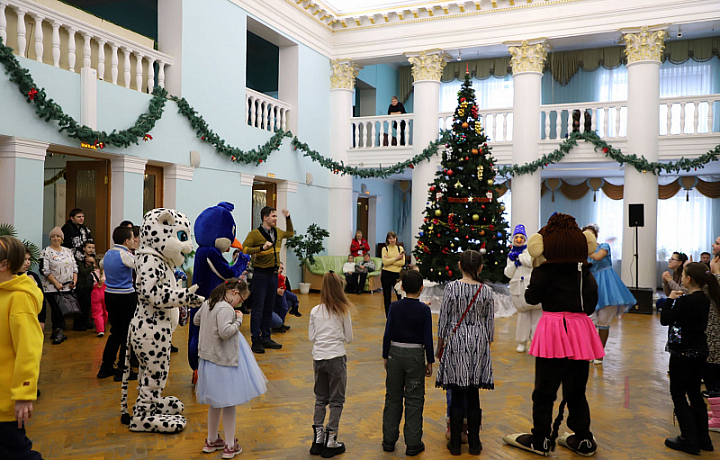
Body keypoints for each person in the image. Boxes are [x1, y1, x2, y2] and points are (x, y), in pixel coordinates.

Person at [503, 213, 602, 457]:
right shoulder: (584, 271)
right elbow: (590, 305)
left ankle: (541, 439)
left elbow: (531, 298)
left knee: (545, 391)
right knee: (576, 390)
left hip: (553, 329)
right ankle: (583, 438)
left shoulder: (545, 270)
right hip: (580, 330)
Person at [194, 278, 267, 459]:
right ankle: (229, 445)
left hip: (208, 358)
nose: (240, 305)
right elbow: (225, 332)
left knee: (215, 402)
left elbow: (196, 320)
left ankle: (211, 440)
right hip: (224, 360)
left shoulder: (209, 303)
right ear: (234, 293)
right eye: (241, 300)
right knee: (228, 402)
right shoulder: (226, 308)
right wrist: (239, 319)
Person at [435, 250, 493, 456]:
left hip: (456, 340)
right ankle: (475, 444)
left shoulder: (451, 288)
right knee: (474, 395)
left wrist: (439, 347)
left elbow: (443, 321)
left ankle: (455, 446)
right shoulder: (486, 291)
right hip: (478, 341)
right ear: (480, 267)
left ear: (459, 266)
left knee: (457, 395)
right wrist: (484, 347)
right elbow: (490, 327)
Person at [660, 262, 718, 454]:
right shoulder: (705, 299)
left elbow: (665, 319)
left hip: (682, 354)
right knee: (694, 393)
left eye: (683, 274)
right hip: (700, 352)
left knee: (678, 394)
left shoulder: (686, 301)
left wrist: (669, 299)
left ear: (688, 279)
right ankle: (704, 439)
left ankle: (688, 438)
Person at [0, 236, 45, 460]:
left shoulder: (19, 299)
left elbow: (29, 349)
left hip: (5, 400)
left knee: (18, 454)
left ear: (4, 265)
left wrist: (24, 393)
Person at [381, 270, 434, 456]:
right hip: (416, 356)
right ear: (421, 288)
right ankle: (413, 443)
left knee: (392, 397)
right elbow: (428, 337)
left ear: (401, 287)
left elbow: (388, 332)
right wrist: (430, 361)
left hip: (395, 353)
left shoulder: (394, 307)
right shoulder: (424, 310)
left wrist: (386, 355)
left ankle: (388, 440)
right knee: (414, 399)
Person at [309, 272, 353, 458]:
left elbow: (311, 337)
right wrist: (338, 336)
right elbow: (349, 338)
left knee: (320, 399)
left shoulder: (314, 311)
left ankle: (318, 438)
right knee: (336, 401)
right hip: (336, 357)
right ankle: (331, 438)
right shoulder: (343, 310)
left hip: (318, 358)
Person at [582, 224, 637, 364]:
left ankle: (599, 353)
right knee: (589, 321)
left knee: (603, 321)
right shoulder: (581, 253)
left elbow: (598, 257)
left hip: (607, 286)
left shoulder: (604, 247)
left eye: (590, 235)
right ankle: (589, 351)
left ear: (595, 236)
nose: (588, 239)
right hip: (590, 285)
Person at [242, 206, 294, 354]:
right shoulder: (254, 234)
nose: (275, 219)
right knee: (257, 308)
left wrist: (288, 217)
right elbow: (244, 249)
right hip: (260, 275)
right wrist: (261, 248)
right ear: (265, 217)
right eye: (273, 216)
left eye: (276, 216)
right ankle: (255, 340)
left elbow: (290, 233)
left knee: (268, 308)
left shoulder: (277, 232)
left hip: (273, 275)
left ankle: (266, 337)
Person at [97, 226, 138, 380]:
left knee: (115, 332)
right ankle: (123, 369)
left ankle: (105, 367)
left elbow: (101, 265)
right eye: (133, 237)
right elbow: (140, 266)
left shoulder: (108, 253)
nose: (134, 240)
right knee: (127, 334)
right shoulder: (125, 255)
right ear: (126, 241)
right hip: (125, 297)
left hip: (110, 296)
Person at [505, 224, 541, 353]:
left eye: (521, 237)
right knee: (523, 318)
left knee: (537, 317)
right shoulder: (510, 254)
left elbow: (531, 262)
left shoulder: (530, 252)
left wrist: (519, 257)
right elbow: (508, 273)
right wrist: (513, 263)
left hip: (531, 287)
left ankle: (535, 342)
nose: (519, 240)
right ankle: (522, 342)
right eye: (516, 237)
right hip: (518, 290)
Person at [40, 226, 78, 345]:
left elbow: (74, 267)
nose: (55, 238)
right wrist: (56, 283)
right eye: (53, 236)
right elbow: (44, 270)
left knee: (63, 309)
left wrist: (74, 281)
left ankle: (57, 331)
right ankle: (58, 331)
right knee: (56, 309)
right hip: (51, 287)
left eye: (58, 236)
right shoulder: (45, 252)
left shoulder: (68, 251)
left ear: (62, 238)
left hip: (68, 286)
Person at [704, 254, 720, 428]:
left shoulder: (713, 282)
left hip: (714, 337)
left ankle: (718, 418)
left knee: (712, 376)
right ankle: (718, 411)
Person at [20, 247, 46, 333]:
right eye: (24, 259)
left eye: (29, 259)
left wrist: (42, 320)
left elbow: (42, 299)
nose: (27, 262)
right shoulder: (10, 277)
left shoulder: (33, 275)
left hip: (34, 316)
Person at [74, 240, 96, 331]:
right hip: (81, 285)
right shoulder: (80, 259)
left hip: (90, 284)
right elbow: (83, 272)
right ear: (84, 248)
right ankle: (78, 324)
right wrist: (93, 265)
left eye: (93, 248)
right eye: (89, 247)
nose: (91, 250)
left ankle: (86, 322)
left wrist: (94, 262)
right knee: (81, 306)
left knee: (87, 305)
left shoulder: (93, 258)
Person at [381, 232, 405, 317]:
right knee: (387, 296)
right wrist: (396, 258)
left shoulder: (400, 248)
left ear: (396, 238)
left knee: (400, 295)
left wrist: (390, 260)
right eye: (390, 238)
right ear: (387, 239)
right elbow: (384, 262)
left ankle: (401, 315)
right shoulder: (385, 249)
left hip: (397, 274)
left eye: (393, 238)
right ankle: (388, 316)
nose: (392, 240)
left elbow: (402, 262)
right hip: (386, 274)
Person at [90, 260, 107, 337]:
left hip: (96, 293)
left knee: (97, 312)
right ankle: (104, 326)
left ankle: (100, 329)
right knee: (106, 311)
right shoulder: (107, 272)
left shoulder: (92, 273)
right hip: (106, 291)